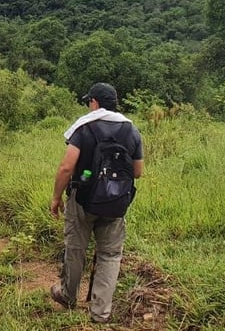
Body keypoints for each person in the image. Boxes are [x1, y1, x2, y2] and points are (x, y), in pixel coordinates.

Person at [49, 82, 144, 324]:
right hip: (116, 203)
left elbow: (67, 166)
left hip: (82, 200)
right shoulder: (131, 130)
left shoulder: (85, 127)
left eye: (89, 102)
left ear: (94, 102)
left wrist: (56, 197)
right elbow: (138, 172)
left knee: (76, 248)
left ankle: (68, 296)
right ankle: (100, 313)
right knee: (110, 255)